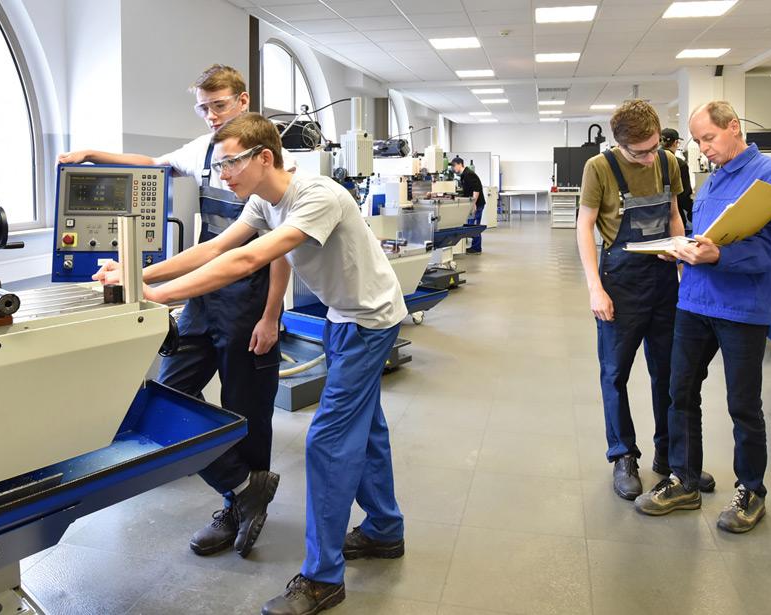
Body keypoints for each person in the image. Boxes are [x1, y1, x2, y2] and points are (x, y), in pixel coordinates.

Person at [96, 112, 408, 615]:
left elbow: (245, 262)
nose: (222, 176)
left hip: (369, 323)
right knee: (366, 430)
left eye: (230, 164)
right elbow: (217, 247)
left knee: (328, 442)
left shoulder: (317, 196)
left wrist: (155, 295)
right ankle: (384, 530)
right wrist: (135, 274)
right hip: (345, 317)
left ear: (265, 157)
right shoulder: (265, 200)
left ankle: (323, 578)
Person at [60, 65, 294, 558]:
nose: (211, 116)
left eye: (220, 105)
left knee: (245, 406)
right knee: (169, 393)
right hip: (205, 294)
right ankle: (243, 487)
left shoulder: (271, 164)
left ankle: (237, 507)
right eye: (204, 108)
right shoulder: (202, 150)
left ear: (243, 100)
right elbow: (152, 164)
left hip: (249, 296)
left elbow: (274, 252)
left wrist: (271, 315)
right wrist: (92, 155)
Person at [635, 100, 771, 534]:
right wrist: (684, 249)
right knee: (680, 392)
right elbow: (705, 236)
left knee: (743, 403)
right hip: (693, 302)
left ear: (734, 128)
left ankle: (752, 491)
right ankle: (684, 479)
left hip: (742, 309)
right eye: (698, 141)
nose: (703, 148)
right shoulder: (710, 182)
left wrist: (720, 254)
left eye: (708, 138)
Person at [576, 100, 716, 501]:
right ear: (620, 144)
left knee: (669, 373)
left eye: (655, 147)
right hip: (619, 282)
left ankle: (670, 457)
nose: (650, 157)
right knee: (615, 373)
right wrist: (594, 288)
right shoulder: (599, 168)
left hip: (663, 281)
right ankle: (623, 455)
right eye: (641, 152)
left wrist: (681, 265)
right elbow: (584, 227)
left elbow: (673, 215)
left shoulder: (669, 163)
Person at [660, 127, 694, 229]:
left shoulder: (650, 161)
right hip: (675, 216)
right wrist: (692, 210)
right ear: (675, 143)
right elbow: (684, 196)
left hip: (653, 218)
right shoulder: (679, 164)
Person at [452, 156, 486, 253]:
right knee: (471, 225)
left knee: (474, 227)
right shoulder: (464, 175)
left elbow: (476, 190)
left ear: (460, 164)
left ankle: (476, 248)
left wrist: (473, 204)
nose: (453, 169)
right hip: (472, 203)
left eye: (454, 166)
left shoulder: (469, 174)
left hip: (477, 204)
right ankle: (475, 247)